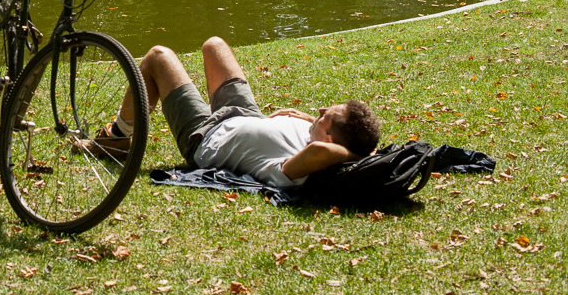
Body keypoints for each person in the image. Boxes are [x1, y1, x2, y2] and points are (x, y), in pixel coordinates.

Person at [81, 37, 380, 188]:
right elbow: (325, 138)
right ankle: (118, 136)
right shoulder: (322, 135)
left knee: (157, 57)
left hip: (206, 138)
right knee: (215, 45)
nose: (321, 109)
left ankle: (118, 137)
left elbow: (319, 150)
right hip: (243, 113)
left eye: (326, 115)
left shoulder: (300, 168)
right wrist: (304, 119)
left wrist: (356, 155)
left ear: (331, 141)